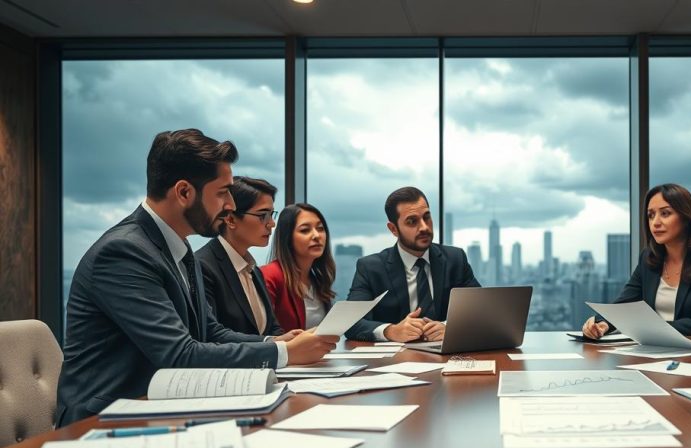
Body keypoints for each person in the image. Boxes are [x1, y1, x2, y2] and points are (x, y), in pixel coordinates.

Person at [56, 129, 337, 426]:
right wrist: (283, 353)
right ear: (184, 193)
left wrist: (275, 340)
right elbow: (179, 354)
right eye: (222, 192)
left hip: (162, 409)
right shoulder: (123, 252)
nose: (230, 204)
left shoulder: (180, 248)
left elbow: (210, 332)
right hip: (103, 420)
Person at [582, 183, 691, 338]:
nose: (655, 222)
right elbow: (624, 305)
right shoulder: (649, 258)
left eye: (665, 214)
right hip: (652, 348)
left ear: (686, 217)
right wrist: (602, 324)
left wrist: (652, 327)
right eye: (651, 215)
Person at [345, 186, 480, 342]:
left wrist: (449, 328)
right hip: (394, 361)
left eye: (427, 217)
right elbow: (350, 323)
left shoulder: (455, 259)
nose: (424, 227)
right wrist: (391, 331)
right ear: (393, 229)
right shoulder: (370, 268)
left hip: (447, 356)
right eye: (412, 221)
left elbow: (480, 310)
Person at [196, 176, 289, 337]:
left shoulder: (253, 270)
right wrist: (275, 344)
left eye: (271, 214)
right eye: (262, 215)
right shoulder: (203, 266)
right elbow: (212, 335)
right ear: (230, 219)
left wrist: (292, 340)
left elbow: (271, 328)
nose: (271, 224)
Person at [261, 203, 336, 331]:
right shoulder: (269, 276)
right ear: (287, 237)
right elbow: (264, 334)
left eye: (320, 228)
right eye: (305, 230)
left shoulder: (316, 280)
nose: (317, 236)